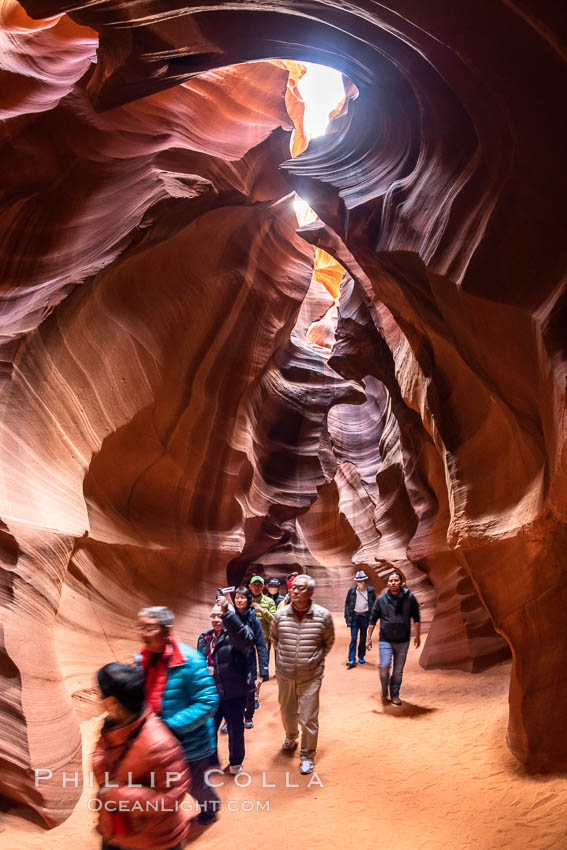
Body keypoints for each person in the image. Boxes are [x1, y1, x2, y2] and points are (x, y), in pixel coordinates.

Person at [136, 606, 219, 825]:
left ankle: (211, 808)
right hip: (153, 743)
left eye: (149, 628)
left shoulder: (190, 661)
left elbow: (208, 701)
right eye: (141, 627)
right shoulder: (141, 661)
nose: (143, 633)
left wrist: (169, 726)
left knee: (196, 785)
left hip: (190, 743)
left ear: (166, 630)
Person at [93, 662, 189, 850]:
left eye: (100, 694)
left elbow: (173, 796)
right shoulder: (113, 725)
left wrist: (118, 794)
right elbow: (101, 753)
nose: (98, 699)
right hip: (117, 830)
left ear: (112, 702)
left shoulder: (160, 744)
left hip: (154, 841)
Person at [270, 574, 335, 775]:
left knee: (308, 718)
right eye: (293, 588)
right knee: (287, 713)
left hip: (311, 677)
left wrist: (314, 661)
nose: (295, 591)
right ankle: (291, 736)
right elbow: (274, 640)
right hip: (286, 674)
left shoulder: (323, 616)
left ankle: (307, 755)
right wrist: (284, 661)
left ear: (311, 592)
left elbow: (328, 642)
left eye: (301, 588)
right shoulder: (279, 616)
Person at [197, 595, 253, 774]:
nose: (216, 619)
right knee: (209, 728)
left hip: (233, 692)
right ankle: (211, 761)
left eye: (219, 616)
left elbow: (247, 637)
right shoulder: (205, 638)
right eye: (213, 616)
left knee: (235, 730)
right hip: (212, 693)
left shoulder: (235, 638)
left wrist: (228, 613)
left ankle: (235, 762)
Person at [366, 570, 421, 705]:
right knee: (384, 666)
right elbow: (373, 619)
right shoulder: (381, 600)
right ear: (388, 583)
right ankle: (385, 688)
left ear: (401, 582)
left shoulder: (410, 598)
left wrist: (418, 635)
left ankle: (395, 694)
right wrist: (368, 638)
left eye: (396, 580)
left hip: (403, 641)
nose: (393, 583)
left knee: (398, 671)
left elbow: (416, 617)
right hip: (386, 640)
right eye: (391, 581)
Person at [233, 585, 269, 728]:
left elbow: (260, 644)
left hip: (248, 661)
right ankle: (233, 718)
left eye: (242, 597)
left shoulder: (254, 619)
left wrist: (264, 667)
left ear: (248, 599)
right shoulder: (230, 616)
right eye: (237, 597)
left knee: (249, 692)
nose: (239, 600)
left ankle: (248, 716)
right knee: (233, 692)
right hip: (232, 661)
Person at [344, 569, 377, 668]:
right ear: (356, 581)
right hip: (355, 616)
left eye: (362, 580)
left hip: (365, 617)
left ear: (365, 580)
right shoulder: (352, 591)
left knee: (363, 638)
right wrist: (347, 617)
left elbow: (374, 604)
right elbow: (347, 604)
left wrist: (372, 617)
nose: (360, 582)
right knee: (353, 638)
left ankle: (361, 656)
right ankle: (351, 659)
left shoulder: (370, 591)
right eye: (358, 581)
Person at [248, 575, 276, 644]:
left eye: (259, 585)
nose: (257, 587)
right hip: (248, 638)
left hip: (263, 639)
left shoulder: (270, 601)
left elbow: (274, 621)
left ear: (263, 587)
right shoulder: (245, 600)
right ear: (250, 586)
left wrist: (262, 610)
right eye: (254, 585)